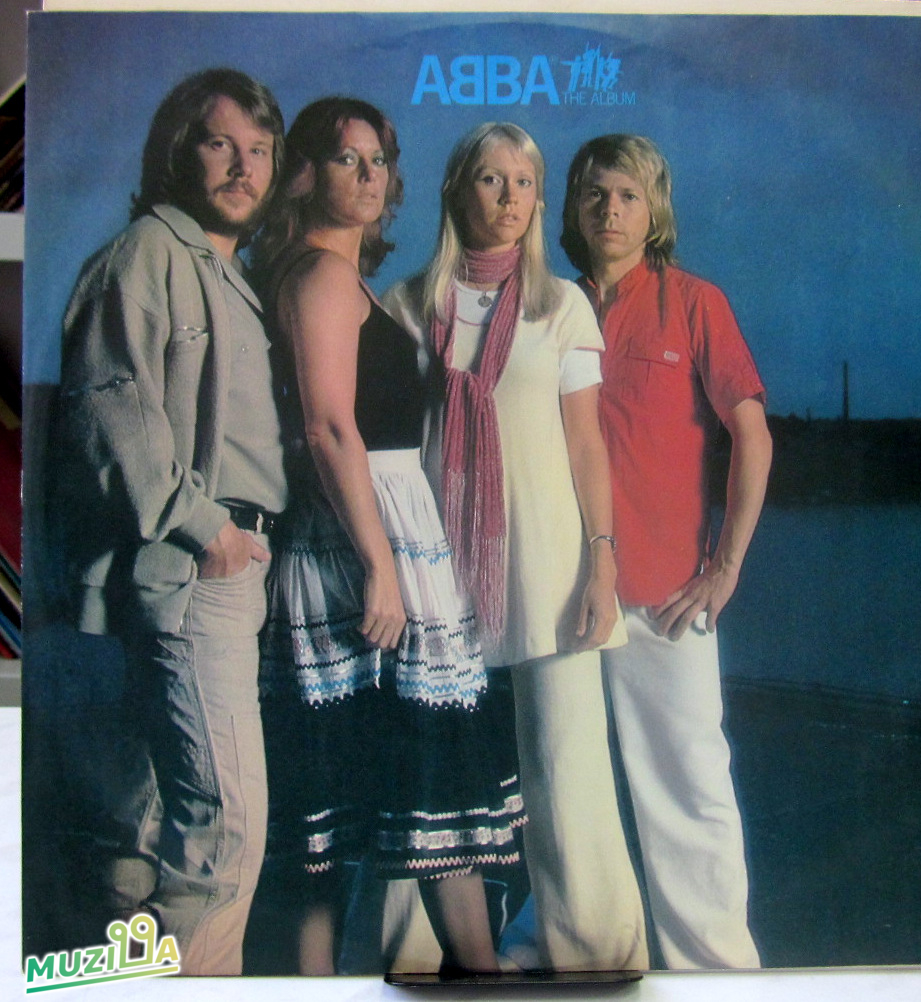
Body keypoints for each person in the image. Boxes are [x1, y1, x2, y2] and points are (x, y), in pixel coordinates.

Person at [252, 97, 526, 977]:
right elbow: (329, 427)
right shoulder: (320, 278)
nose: (370, 177)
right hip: (359, 548)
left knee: (420, 800)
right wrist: (379, 567)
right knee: (339, 825)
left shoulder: (342, 276)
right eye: (347, 159)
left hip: (390, 537)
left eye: (380, 161)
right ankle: (459, 974)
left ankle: (476, 974)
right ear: (305, 174)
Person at [383, 122, 647, 973]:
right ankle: (410, 958)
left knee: (566, 768)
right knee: (425, 771)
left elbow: (586, 445)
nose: (508, 197)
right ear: (457, 190)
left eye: (523, 182)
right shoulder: (404, 306)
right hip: (433, 568)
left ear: (537, 201)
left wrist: (602, 559)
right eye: (490, 179)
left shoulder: (558, 305)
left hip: (548, 562)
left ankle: (592, 955)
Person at [56, 67, 287, 975]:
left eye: (260, 150)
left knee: (146, 832)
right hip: (192, 567)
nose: (243, 166)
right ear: (178, 150)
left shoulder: (225, 273)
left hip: (227, 566)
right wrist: (207, 530)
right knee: (224, 831)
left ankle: (116, 981)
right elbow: (110, 406)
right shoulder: (146, 252)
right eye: (221, 142)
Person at [560, 133, 772, 970]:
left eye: (627, 195)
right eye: (594, 194)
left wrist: (725, 568)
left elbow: (752, 436)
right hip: (563, 592)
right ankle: (571, 958)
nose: (609, 210)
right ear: (573, 209)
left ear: (655, 212)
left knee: (690, 790)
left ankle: (717, 973)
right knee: (563, 792)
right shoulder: (551, 307)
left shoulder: (693, 302)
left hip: (666, 594)